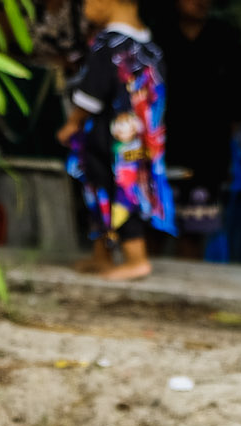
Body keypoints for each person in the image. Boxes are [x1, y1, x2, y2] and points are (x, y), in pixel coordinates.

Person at [61, 0, 175, 279]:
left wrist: (72, 123)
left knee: (119, 195)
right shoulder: (150, 48)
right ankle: (102, 256)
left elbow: (91, 94)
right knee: (105, 193)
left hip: (109, 141)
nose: (84, 7)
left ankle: (136, 259)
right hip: (141, 141)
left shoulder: (108, 45)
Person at [153, 0, 241, 228]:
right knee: (155, 226)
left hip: (209, 149)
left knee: (196, 226)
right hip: (163, 145)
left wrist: (226, 128)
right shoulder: (158, 36)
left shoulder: (224, 36)